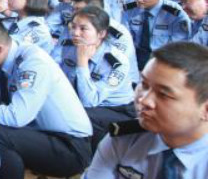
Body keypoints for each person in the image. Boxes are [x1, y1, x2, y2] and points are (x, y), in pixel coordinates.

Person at [0, 12, 93, 179]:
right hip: (40, 136)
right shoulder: (0, 59)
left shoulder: (32, 62)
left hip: (70, 146)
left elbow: (17, 117)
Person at [83, 42, 208, 179]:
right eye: (144, 85)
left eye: (164, 94)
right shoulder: (124, 139)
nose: (144, 100)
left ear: (205, 110)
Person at [57, 6, 136, 150]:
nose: (75, 33)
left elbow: (89, 101)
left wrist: (82, 62)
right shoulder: (69, 47)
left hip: (117, 110)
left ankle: (85, 156)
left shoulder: (116, 62)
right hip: (84, 103)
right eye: (73, 27)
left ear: (101, 33)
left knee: (81, 114)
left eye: (83, 29)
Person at [122, 0, 191, 72]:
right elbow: (125, 39)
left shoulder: (174, 13)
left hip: (163, 59)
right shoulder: (129, 9)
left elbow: (178, 46)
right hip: (134, 57)